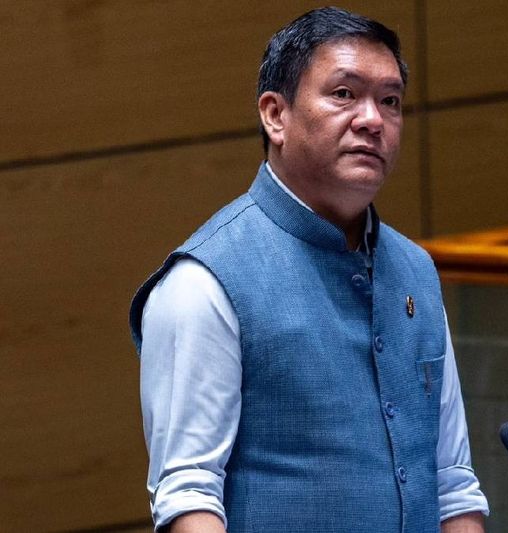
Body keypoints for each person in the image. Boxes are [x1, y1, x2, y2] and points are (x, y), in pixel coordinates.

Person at [129, 7, 488, 532]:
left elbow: (452, 483)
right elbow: (188, 496)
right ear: (275, 115)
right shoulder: (203, 283)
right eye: (344, 94)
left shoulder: (415, 269)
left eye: (390, 101)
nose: (372, 120)